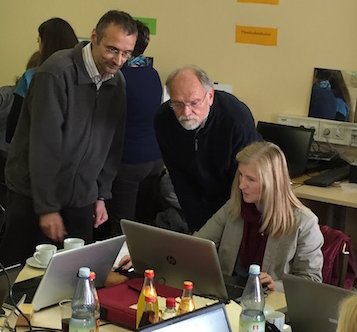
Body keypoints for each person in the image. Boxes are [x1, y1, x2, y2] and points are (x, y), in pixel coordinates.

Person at [0, 11, 136, 264]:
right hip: (34, 195)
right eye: (112, 49)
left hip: (81, 197)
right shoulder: (55, 73)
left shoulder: (117, 82)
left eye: (126, 53)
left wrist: (100, 194)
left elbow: (113, 143)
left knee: (75, 273)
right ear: (94, 37)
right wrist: (47, 207)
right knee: (23, 275)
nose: (118, 60)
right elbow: (44, 145)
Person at [196, 141, 322, 292]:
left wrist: (276, 286)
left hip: (270, 301)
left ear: (272, 183)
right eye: (241, 175)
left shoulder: (304, 222)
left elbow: (312, 281)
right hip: (228, 293)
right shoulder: (233, 207)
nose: (241, 185)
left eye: (251, 179)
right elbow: (198, 245)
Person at [154, 65, 259, 232]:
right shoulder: (163, 120)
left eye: (194, 103)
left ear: (210, 96)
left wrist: (227, 229)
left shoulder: (236, 119)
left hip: (237, 190)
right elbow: (179, 179)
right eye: (178, 104)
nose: (186, 112)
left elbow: (242, 183)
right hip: (197, 191)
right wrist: (199, 230)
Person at [107, 20, 164, 233]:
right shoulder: (152, 73)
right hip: (155, 159)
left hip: (129, 160)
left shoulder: (117, 78)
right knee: (144, 226)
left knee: (122, 229)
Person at [4, 17, 79, 143]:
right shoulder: (84, 79)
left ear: (45, 44)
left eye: (38, 41)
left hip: (37, 150)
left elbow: (13, 130)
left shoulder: (31, 77)